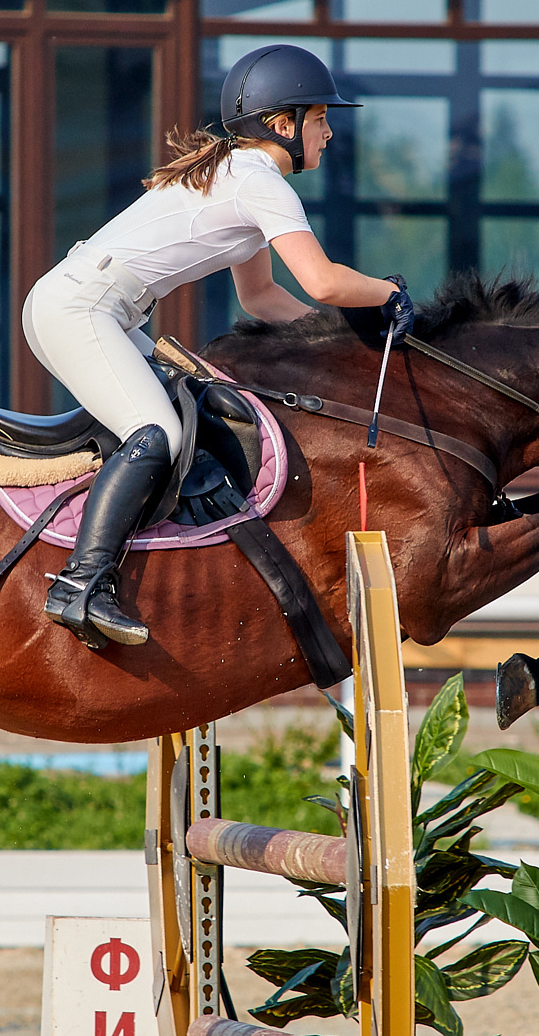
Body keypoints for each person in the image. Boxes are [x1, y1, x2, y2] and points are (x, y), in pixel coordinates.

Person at [21, 43, 416, 651]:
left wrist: (338, 339)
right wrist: (386, 293)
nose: (330, 133)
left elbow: (263, 299)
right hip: (83, 309)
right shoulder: (259, 183)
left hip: (99, 309)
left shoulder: (243, 176)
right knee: (159, 434)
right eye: (320, 120)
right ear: (282, 125)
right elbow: (324, 280)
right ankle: (80, 584)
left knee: (185, 426)